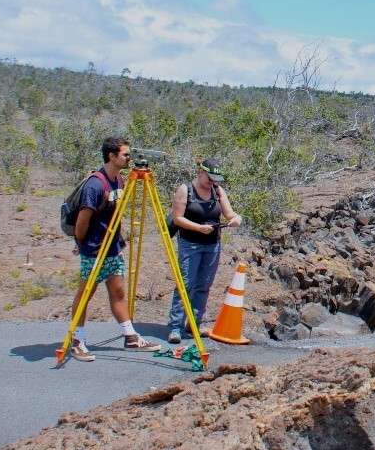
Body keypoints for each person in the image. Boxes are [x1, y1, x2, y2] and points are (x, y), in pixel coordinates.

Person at [65, 137, 162, 361]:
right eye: (126, 155)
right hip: (95, 250)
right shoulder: (95, 185)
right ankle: (77, 340)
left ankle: (130, 337)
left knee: (118, 292)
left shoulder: (118, 179)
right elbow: (82, 222)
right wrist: (82, 245)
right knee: (85, 294)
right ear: (112, 156)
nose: (130, 159)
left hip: (113, 248)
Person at [167, 158, 242, 343]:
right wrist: (198, 228)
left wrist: (235, 218)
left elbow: (229, 213)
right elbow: (177, 218)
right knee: (185, 285)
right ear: (201, 173)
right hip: (190, 244)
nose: (212, 183)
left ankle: (195, 323)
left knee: (204, 284)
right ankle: (175, 327)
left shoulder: (217, 191)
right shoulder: (185, 190)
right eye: (210, 179)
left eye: (215, 180)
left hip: (212, 244)